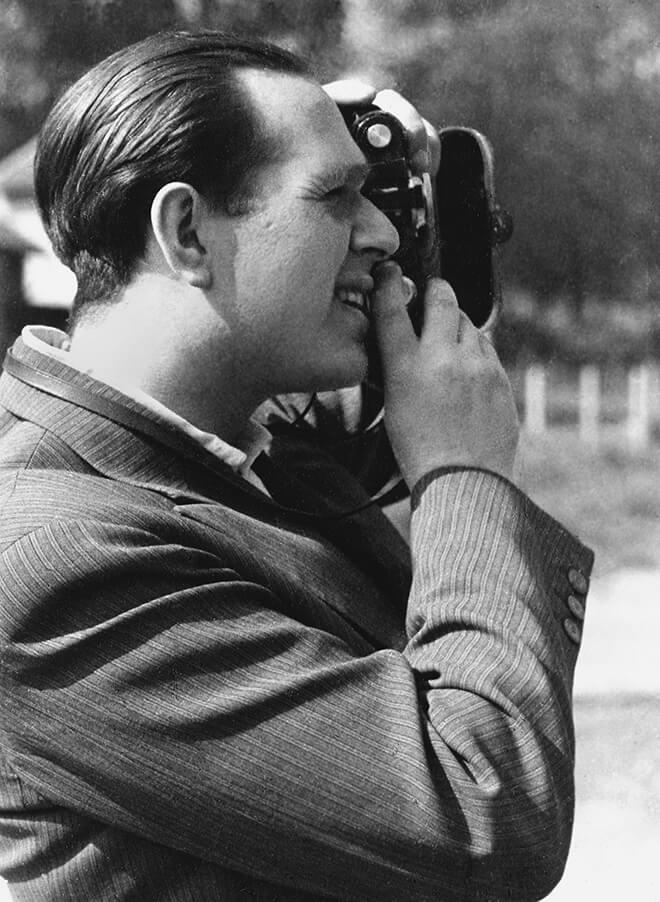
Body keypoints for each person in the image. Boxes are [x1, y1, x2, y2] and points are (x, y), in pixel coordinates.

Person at [0, 29, 593, 902]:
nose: (384, 230)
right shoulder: (57, 560)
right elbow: (484, 812)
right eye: (337, 197)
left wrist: (402, 203)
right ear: (187, 232)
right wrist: (467, 474)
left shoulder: (224, 447)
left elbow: (354, 452)